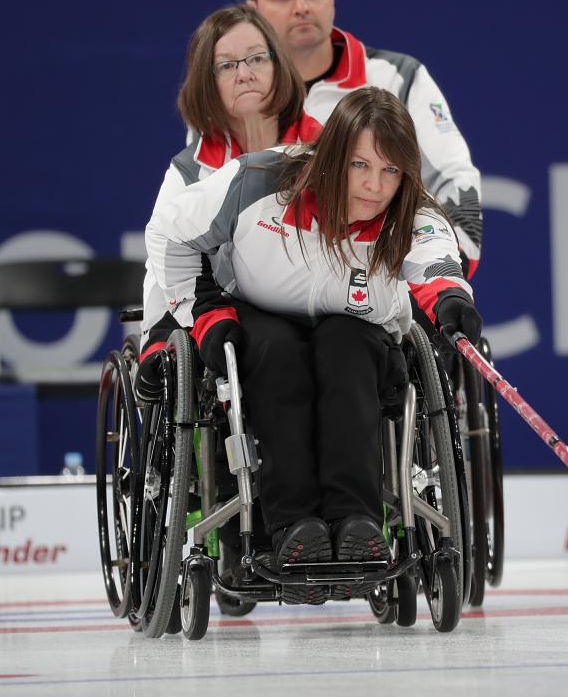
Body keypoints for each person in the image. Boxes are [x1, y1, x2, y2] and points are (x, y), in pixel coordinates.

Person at [144, 87, 482, 604]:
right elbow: (170, 233)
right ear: (331, 156)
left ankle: (358, 522)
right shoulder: (257, 181)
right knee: (276, 354)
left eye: (391, 171)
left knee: (343, 347)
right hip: (262, 317)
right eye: (360, 165)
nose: (374, 186)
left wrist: (451, 301)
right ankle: (293, 527)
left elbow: (437, 261)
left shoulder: (411, 210)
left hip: (358, 335)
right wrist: (205, 311)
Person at [244, 0, 485, 277]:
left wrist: (438, 277)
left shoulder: (399, 78)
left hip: (379, 293)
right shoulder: (233, 93)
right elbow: (201, 204)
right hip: (261, 294)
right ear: (253, 13)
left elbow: (455, 183)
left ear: (331, 0)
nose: (301, 7)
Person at [140, 4, 322, 353]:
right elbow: (162, 258)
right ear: (208, 85)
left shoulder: (326, 148)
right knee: (269, 347)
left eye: (256, 59)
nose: (244, 74)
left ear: (278, 66)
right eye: (226, 66)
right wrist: (157, 339)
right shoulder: (189, 172)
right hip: (237, 314)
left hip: (319, 299)